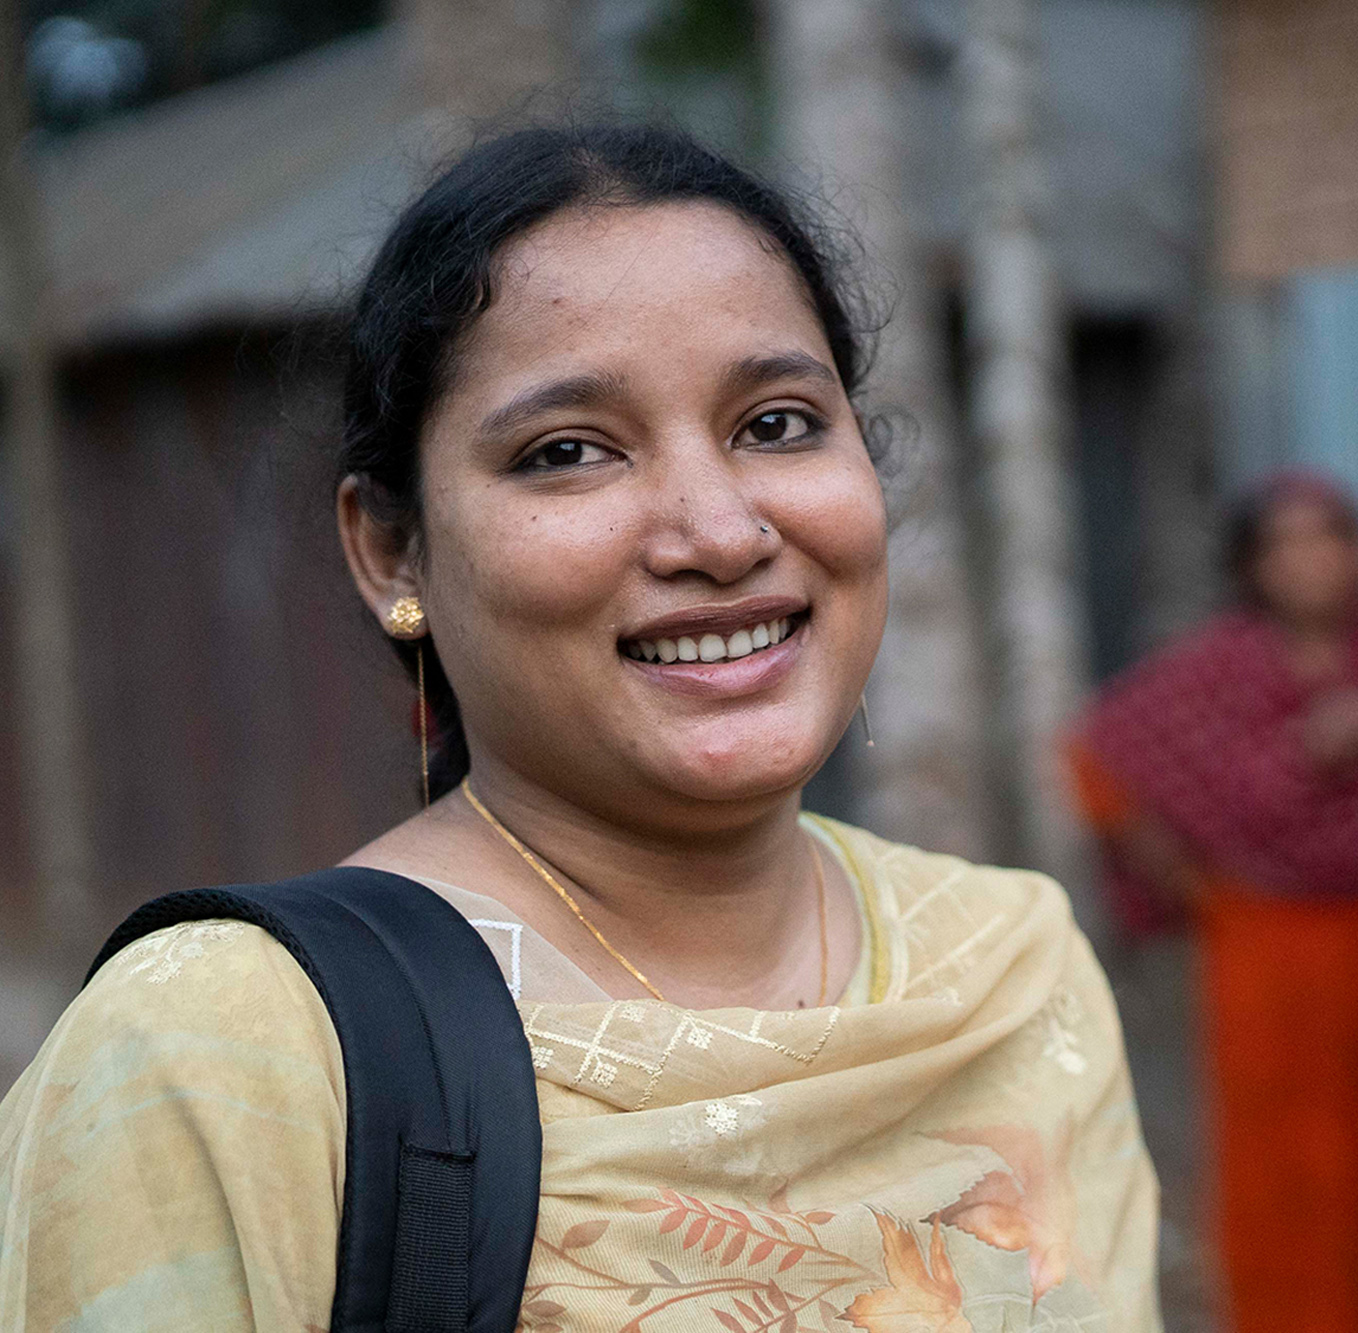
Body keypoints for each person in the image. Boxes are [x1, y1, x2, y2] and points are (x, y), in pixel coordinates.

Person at [0, 124, 1161, 1329]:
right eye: (569, 452)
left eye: (774, 423)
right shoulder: (219, 1053)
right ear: (391, 548)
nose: (717, 533)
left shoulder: (1013, 973)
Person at [1069, 472, 1358, 1332]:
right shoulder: (1217, 673)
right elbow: (1098, 756)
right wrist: (1191, 882)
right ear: (1253, 565)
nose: (1310, 560)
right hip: (1270, 956)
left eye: (1330, 537)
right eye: (1286, 543)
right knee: (1290, 1167)